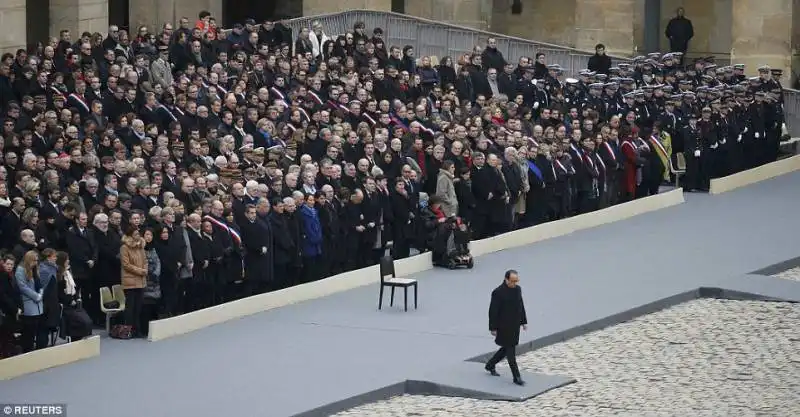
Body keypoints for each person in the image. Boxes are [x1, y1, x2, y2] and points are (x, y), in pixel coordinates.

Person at [485, 269, 528, 386]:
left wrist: (524, 321)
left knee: (505, 349)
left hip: (514, 325)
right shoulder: (498, 292)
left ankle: (490, 365)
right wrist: (493, 328)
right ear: (506, 279)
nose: (515, 283)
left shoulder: (518, 290)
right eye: (513, 281)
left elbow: (521, 305)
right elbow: (493, 311)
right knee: (510, 352)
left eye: (516, 281)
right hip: (503, 326)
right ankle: (516, 376)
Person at [55, 251, 92, 340]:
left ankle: (78, 339)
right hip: (65, 306)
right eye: (67, 259)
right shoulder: (58, 276)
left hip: (74, 304)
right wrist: (69, 300)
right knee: (80, 321)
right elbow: (59, 293)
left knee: (87, 321)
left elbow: (74, 288)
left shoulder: (68, 273)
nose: (68, 261)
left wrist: (77, 298)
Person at [15, 250, 47, 352]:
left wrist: (40, 293)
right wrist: (36, 296)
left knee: (35, 331)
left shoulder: (35, 270)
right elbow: (23, 287)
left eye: (37, 260)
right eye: (34, 260)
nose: (36, 263)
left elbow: (39, 284)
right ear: (28, 260)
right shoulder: (20, 270)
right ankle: (26, 351)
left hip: (38, 305)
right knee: (28, 332)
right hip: (28, 304)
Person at [120, 225, 147, 337]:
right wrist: (141, 271)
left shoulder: (140, 246)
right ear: (130, 235)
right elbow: (126, 265)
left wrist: (145, 269)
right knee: (130, 308)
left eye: (138, 234)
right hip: (130, 282)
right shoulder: (124, 248)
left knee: (138, 307)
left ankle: (138, 330)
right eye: (135, 234)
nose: (138, 236)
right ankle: (129, 330)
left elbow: (145, 260)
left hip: (141, 281)